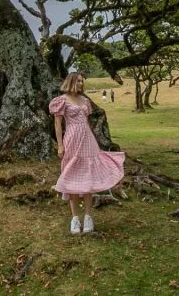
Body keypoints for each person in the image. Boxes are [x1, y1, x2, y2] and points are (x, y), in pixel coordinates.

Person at [50, 69, 125, 235]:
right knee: (72, 180)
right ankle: (75, 218)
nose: (81, 84)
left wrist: (93, 140)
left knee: (88, 179)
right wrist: (60, 145)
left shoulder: (85, 101)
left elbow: (88, 123)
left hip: (88, 141)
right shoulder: (61, 100)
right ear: (70, 82)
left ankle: (89, 216)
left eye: (82, 81)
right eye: (78, 81)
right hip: (71, 139)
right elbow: (57, 125)